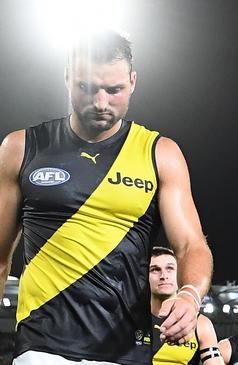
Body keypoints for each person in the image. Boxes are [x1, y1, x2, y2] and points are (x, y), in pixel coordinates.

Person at [0, 30, 213, 364]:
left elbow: (191, 246)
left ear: (132, 82)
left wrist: (189, 296)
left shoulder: (160, 154)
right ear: (68, 78)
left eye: (113, 90)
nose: (100, 102)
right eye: (87, 88)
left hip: (125, 350)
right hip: (41, 348)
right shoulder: (20, 148)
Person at [150, 247, 223, 365]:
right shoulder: (128, 317)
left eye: (170, 268)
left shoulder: (200, 324)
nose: (163, 276)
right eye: (155, 270)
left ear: (180, 274)